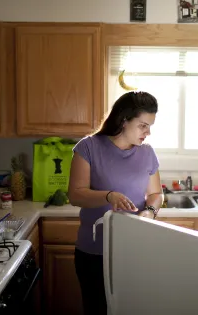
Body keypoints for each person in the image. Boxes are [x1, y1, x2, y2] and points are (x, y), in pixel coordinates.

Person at [68, 91, 163, 315]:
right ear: (123, 120)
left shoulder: (147, 154)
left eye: (150, 126)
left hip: (134, 251)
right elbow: (76, 194)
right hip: (94, 252)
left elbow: (156, 194)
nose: (148, 133)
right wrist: (108, 196)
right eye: (143, 125)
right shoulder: (88, 147)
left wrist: (148, 213)